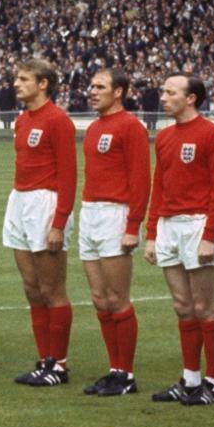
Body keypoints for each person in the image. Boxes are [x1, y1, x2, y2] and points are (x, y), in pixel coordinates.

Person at [144, 73, 214, 406]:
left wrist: (210, 235)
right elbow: (160, 186)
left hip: (197, 224)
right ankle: (190, 380)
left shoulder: (211, 135)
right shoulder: (164, 137)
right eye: (163, 90)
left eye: (170, 92)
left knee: (204, 306)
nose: (162, 96)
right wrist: (151, 234)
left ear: (191, 98)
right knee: (182, 306)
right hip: (169, 224)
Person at [3, 58, 78, 387]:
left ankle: (58, 365)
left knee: (51, 288)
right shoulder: (22, 120)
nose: (16, 84)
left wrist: (58, 222)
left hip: (45, 203)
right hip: (19, 200)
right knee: (32, 288)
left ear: (43, 83)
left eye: (23, 79)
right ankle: (44, 358)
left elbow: (69, 174)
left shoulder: (58, 120)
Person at [78, 67, 150, 397]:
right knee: (99, 298)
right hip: (90, 211)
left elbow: (140, 179)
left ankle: (126, 373)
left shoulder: (131, 127)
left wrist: (133, 225)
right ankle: (113, 369)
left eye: (100, 86)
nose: (92, 91)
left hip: (115, 214)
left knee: (117, 298)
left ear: (118, 91)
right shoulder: (93, 128)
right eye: (91, 86)